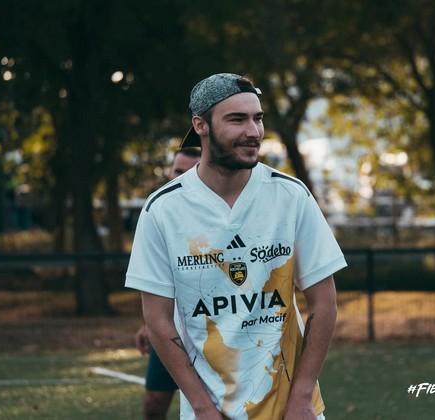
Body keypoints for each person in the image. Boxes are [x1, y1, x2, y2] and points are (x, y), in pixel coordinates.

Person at [126, 73, 346, 420]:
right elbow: (156, 320)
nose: (253, 131)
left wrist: (302, 397)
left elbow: (324, 302)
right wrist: (201, 408)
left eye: (257, 118)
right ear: (201, 125)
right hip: (209, 412)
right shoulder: (163, 210)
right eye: (237, 119)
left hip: (292, 409)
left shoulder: (290, 196)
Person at [134, 147, 201, 420]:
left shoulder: (220, 217)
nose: (179, 178)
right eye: (177, 171)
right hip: (172, 331)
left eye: (187, 172)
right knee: (154, 403)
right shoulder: (160, 214)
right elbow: (158, 285)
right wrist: (149, 324)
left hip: (213, 333)